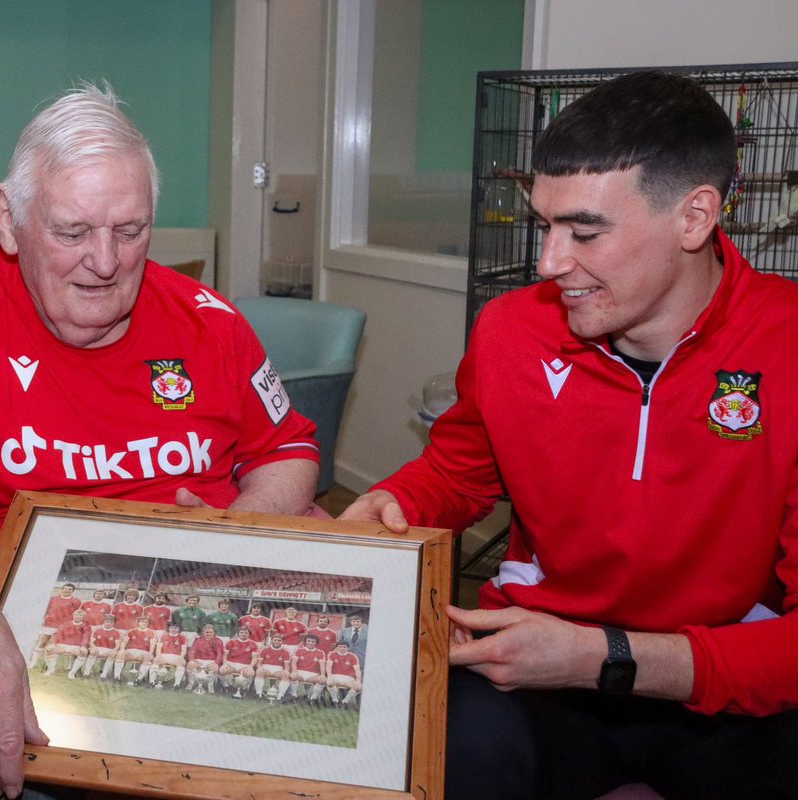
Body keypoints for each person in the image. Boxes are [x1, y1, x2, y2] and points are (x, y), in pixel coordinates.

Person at [341, 70, 798, 799]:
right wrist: (393, 503)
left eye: (584, 232)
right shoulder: (512, 330)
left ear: (696, 217)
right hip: (533, 668)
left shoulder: (787, 345)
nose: (551, 264)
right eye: (544, 226)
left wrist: (601, 657)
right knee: (433, 753)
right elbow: (460, 474)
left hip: (720, 675)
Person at [0, 81, 319, 798]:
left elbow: (288, 453)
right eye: (72, 232)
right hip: (29, 666)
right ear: (8, 220)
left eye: (130, 230)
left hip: (203, 642)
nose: (105, 264)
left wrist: (237, 539)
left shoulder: (212, 322)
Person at [29, 583, 81, 669]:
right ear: (62, 589)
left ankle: (49, 666)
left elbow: (76, 614)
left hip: (63, 626)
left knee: (54, 645)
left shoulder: (76, 601)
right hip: (49, 623)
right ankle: (32, 663)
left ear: (72, 591)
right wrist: (43, 620)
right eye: (66, 588)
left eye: (70, 589)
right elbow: (46, 610)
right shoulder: (53, 599)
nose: (67, 590)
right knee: (42, 642)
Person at [41, 610, 89, 679]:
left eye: (80, 615)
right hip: (62, 645)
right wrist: (53, 643)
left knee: (84, 652)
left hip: (75, 646)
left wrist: (83, 646)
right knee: (49, 649)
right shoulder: (65, 624)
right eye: (76, 615)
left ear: (83, 617)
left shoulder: (86, 626)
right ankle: (50, 669)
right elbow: (58, 634)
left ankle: (72, 673)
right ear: (73, 615)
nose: (78, 616)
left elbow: (86, 636)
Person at [219, 627, 260, 697]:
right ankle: (226, 687)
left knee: (250, 673)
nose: (243, 634)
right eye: (241, 632)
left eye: (246, 633)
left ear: (249, 634)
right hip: (231, 663)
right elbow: (225, 655)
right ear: (238, 633)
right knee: (222, 670)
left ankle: (244, 689)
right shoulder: (231, 642)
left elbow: (254, 658)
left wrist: (250, 667)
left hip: (244, 665)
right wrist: (224, 664)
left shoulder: (253, 644)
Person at [185, 625, 226, 695]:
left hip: (211, 661)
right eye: (207, 632)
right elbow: (192, 651)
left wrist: (216, 662)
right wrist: (192, 660)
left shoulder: (218, 641)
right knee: (190, 664)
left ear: (214, 633)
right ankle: (191, 682)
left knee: (215, 667)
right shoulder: (198, 640)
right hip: (199, 659)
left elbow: (220, 653)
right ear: (203, 633)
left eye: (211, 632)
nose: (209, 634)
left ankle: (210, 684)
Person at [254, 633, 294, 700]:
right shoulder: (264, 649)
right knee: (259, 672)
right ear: (272, 640)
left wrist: (286, 671)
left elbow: (287, 665)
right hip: (266, 668)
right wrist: (260, 667)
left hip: (278, 669)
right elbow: (259, 663)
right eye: (275, 640)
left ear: (282, 642)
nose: (277, 642)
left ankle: (280, 696)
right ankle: (259, 694)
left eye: (279, 640)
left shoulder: (286, 651)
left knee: (286, 675)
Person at [148, 624, 188, 689]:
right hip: (164, 655)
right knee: (156, 661)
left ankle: (176, 685)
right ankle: (152, 682)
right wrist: (158, 656)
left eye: (176, 628)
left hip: (176, 656)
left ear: (179, 629)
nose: (173, 630)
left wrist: (181, 658)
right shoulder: (163, 636)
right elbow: (158, 648)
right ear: (169, 628)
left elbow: (184, 650)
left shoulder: (182, 637)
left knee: (181, 663)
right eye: (171, 628)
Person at [81, 615, 122, 679]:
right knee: (92, 652)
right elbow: (91, 642)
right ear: (104, 622)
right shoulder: (97, 630)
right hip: (97, 648)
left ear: (114, 623)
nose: (108, 623)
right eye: (107, 621)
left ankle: (103, 675)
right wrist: (94, 647)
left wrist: (114, 650)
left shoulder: (117, 632)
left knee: (112, 654)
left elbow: (117, 645)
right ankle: (86, 673)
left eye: (111, 622)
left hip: (109, 649)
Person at [325, 642, 362, 709]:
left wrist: (358, 680)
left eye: (344, 647)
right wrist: (329, 676)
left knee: (359, 687)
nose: (342, 648)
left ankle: (344, 701)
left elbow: (357, 670)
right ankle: (335, 700)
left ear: (348, 648)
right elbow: (328, 667)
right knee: (329, 682)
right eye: (340, 646)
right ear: (337, 647)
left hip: (349, 678)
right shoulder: (332, 654)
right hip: (335, 676)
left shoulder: (353, 656)